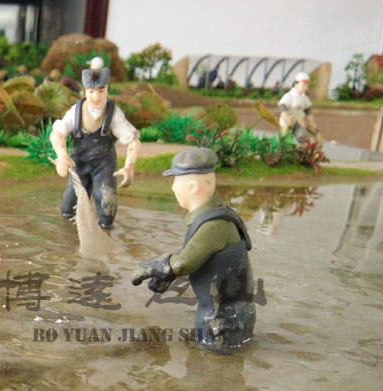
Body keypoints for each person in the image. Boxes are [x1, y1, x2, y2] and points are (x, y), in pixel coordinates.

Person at [131, 148, 255, 354]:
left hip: (221, 321)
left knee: (207, 362)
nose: (173, 188)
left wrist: (153, 267)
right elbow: (196, 254)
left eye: (175, 181)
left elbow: (184, 263)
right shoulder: (217, 215)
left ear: (192, 187)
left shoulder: (214, 225)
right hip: (231, 316)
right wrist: (169, 275)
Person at [50, 57, 141, 229]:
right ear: (85, 90)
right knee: (68, 207)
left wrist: (130, 166)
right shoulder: (75, 111)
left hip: (104, 165)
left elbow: (133, 141)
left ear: (107, 89)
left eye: (101, 90)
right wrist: (61, 155)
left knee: (107, 204)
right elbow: (57, 134)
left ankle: (106, 233)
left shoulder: (114, 113)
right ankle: (67, 235)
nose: (96, 97)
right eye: (91, 91)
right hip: (79, 164)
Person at [278, 72, 319, 141]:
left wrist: (311, 122)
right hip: (288, 123)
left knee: (303, 138)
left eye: (307, 85)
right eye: (303, 85)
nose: (305, 87)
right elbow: (282, 106)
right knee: (287, 140)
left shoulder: (304, 98)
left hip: (299, 123)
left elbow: (308, 110)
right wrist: (286, 117)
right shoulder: (289, 96)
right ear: (296, 84)